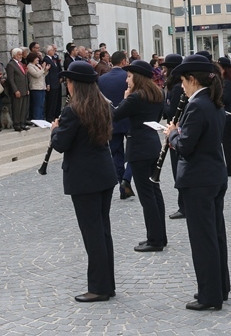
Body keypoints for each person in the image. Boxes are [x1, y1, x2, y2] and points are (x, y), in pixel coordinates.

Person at [50, 60, 118, 303]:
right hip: (103, 173)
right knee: (102, 231)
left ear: (75, 84)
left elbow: (60, 144)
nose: (67, 86)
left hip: (84, 178)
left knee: (93, 234)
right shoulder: (103, 104)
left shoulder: (72, 111)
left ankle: (99, 287)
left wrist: (55, 129)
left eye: (68, 82)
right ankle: (107, 284)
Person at [166, 54, 230, 310]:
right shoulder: (213, 102)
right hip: (214, 174)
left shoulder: (196, 105)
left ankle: (209, 295)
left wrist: (172, 135)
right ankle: (220, 287)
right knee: (216, 235)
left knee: (203, 239)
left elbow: (186, 146)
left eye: (183, 81)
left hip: (198, 180)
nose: (182, 86)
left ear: (192, 79)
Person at [113, 60, 166, 252]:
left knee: (147, 196)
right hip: (152, 145)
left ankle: (155, 239)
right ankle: (161, 236)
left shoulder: (135, 97)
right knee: (155, 192)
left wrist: (125, 98)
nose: (127, 80)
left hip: (139, 148)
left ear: (137, 77)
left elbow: (115, 115)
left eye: (129, 76)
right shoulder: (158, 93)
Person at [98, 51, 133, 200]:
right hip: (129, 119)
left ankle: (121, 184)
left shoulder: (102, 79)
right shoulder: (128, 77)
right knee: (133, 152)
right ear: (124, 61)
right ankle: (127, 178)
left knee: (116, 153)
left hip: (111, 121)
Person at [161, 53, 186, 219]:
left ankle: (183, 206)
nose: (163, 71)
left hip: (176, 130)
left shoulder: (176, 88)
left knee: (178, 168)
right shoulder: (174, 86)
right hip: (174, 129)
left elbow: (171, 111)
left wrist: (161, 103)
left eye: (165, 68)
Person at [216, 57, 231, 177]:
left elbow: (224, 98)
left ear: (224, 69)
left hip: (228, 115)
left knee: (228, 143)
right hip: (228, 115)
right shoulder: (226, 80)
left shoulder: (226, 82)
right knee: (228, 142)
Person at [6, 48, 30, 132]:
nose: (20, 56)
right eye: (19, 54)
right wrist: (15, 90)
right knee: (17, 107)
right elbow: (11, 79)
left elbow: (25, 77)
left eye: (21, 54)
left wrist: (27, 88)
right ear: (14, 55)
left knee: (23, 107)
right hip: (17, 90)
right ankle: (17, 124)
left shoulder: (21, 64)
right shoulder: (11, 65)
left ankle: (22, 122)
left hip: (24, 89)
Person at [26, 52, 49, 121]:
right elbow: (36, 74)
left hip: (42, 86)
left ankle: (41, 118)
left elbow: (43, 74)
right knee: (37, 104)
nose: (38, 59)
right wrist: (43, 69)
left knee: (42, 104)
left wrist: (46, 70)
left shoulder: (38, 65)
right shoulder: (29, 66)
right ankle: (36, 119)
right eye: (36, 58)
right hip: (35, 87)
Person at [43, 45, 63, 122]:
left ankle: (53, 115)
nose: (54, 51)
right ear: (48, 52)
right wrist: (48, 83)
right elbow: (47, 73)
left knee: (55, 100)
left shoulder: (53, 59)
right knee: (50, 101)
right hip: (51, 82)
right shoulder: (46, 59)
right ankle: (49, 116)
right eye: (52, 50)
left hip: (56, 82)